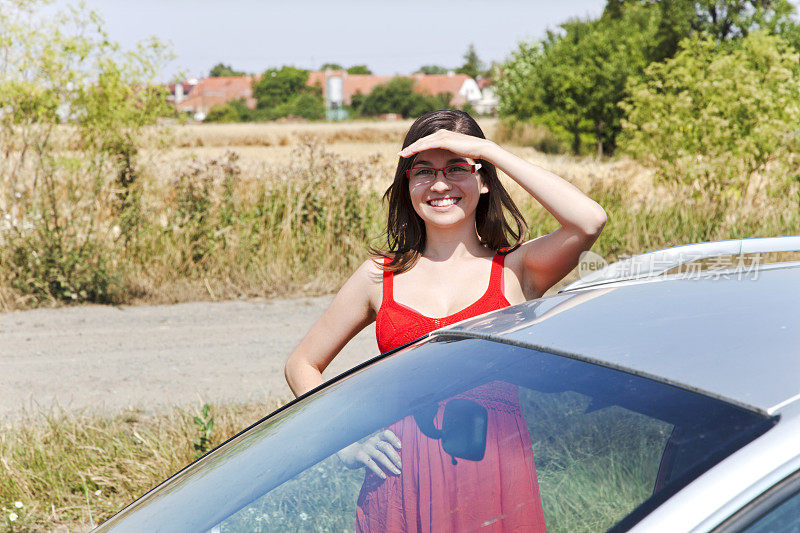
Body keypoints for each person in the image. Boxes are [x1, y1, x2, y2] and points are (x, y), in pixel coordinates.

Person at [284, 110, 607, 532]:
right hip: (400, 477)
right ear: (407, 184)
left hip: (492, 470)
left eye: (457, 167)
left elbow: (589, 220)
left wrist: (488, 151)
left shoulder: (518, 268)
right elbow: (301, 364)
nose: (440, 184)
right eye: (423, 171)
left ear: (484, 179)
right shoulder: (378, 276)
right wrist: (345, 439)